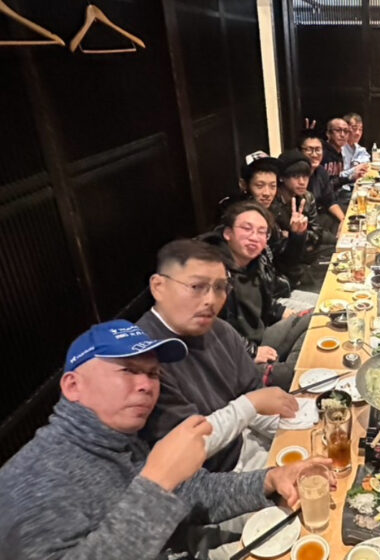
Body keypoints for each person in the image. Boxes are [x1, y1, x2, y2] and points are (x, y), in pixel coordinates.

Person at [0, 319, 333, 559]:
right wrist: (156, 482)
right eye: (128, 370)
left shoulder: (120, 439)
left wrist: (270, 479)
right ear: (73, 386)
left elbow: (192, 493)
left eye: (152, 373)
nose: (146, 385)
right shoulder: (31, 484)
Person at [138, 240, 301, 473]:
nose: (211, 300)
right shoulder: (140, 357)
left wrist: (298, 426)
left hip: (247, 446)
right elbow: (184, 449)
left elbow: (254, 398)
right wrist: (250, 405)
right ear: (158, 287)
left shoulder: (220, 330)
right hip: (209, 479)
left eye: (220, 287)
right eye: (197, 286)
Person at [199, 201, 316, 390]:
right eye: (247, 229)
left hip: (259, 337)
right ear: (227, 233)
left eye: (262, 232)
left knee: (319, 318)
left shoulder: (257, 262)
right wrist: (251, 352)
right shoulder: (211, 271)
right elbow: (209, 330)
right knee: (296, 375)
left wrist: (281, 312)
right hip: (230, 355)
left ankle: (285, 367)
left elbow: (263, 301)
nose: (254, 237)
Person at [270, 148, 335, 290]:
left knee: (340, 248)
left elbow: (316, 232)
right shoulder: (272, 203)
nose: (302, 182)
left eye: (305, 176)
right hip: (286, 260)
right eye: (295, 177)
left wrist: (296, 235)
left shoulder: (307, 197)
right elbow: (280, 247)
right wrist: (297, 235)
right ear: (282, 178)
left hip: (306, 249)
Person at [299, 132, 345, 234]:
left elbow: (330, 201)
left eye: (318, 149)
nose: (314, 154)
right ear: (300, 151)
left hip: (323, 216)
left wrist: (343, 221)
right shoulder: (298, 176)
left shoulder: (321, 171)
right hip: (308, 225)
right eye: (309, 150)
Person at [342, 112, 371, 181]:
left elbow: (367, 163)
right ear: (345, 130)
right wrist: (355, 169)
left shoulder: (360, 149)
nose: (358, 133)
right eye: (354, 129)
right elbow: (338, 176)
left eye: (360, 129)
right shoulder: (340, 149)